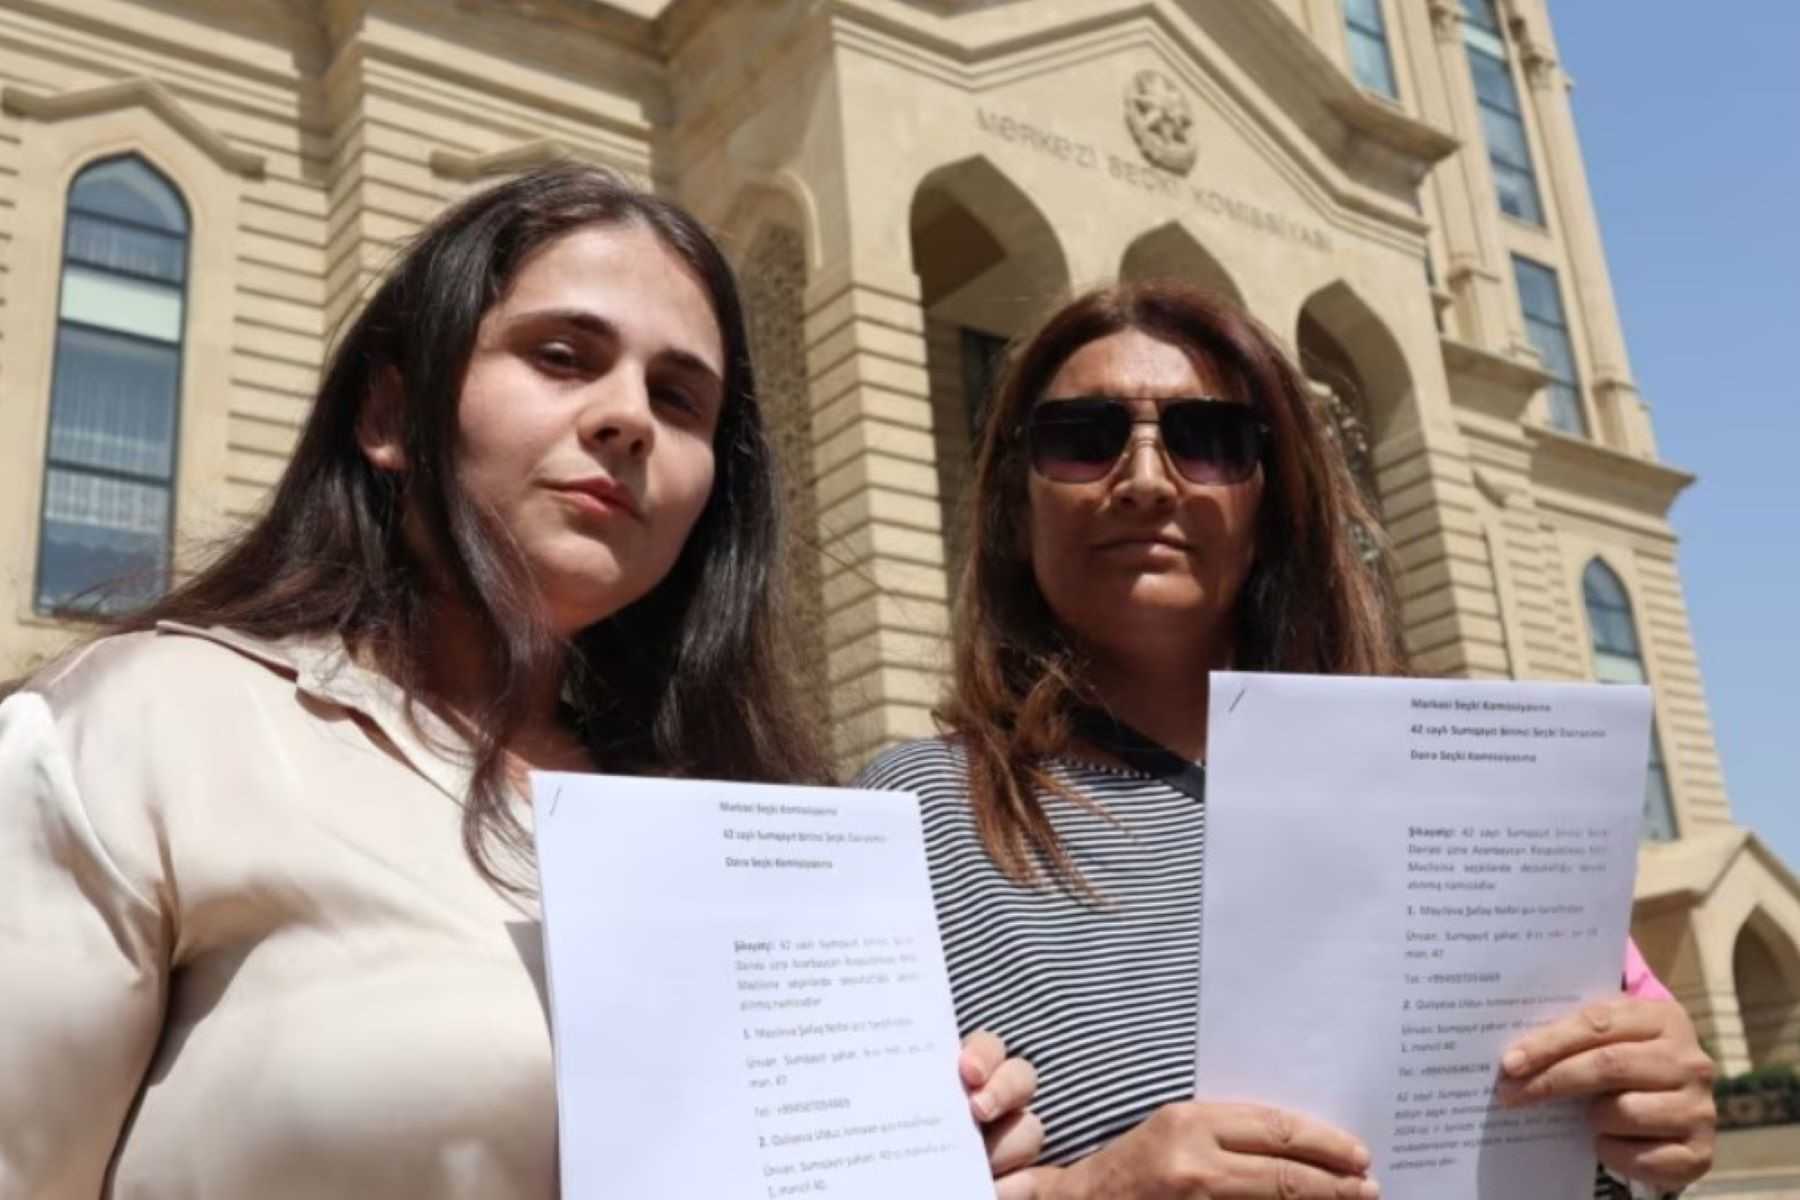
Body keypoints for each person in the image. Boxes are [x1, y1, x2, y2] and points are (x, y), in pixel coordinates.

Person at [0, 165, 1039, 1197]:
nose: (627, 415)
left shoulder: (748, 823)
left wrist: (914, 1147)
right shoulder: (144, 727)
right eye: (561, 356)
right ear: (392, 415)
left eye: (680, 399)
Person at [856, 280, 1716, 1199]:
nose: (1146, 478)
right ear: (1015, 510)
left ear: (1273, 506)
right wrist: (1085, 1193)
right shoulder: (911, 821)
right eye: (1083, 438)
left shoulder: (1464, 791)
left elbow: (1590, 1143)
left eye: (1207, 440)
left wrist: (1653, 1124)